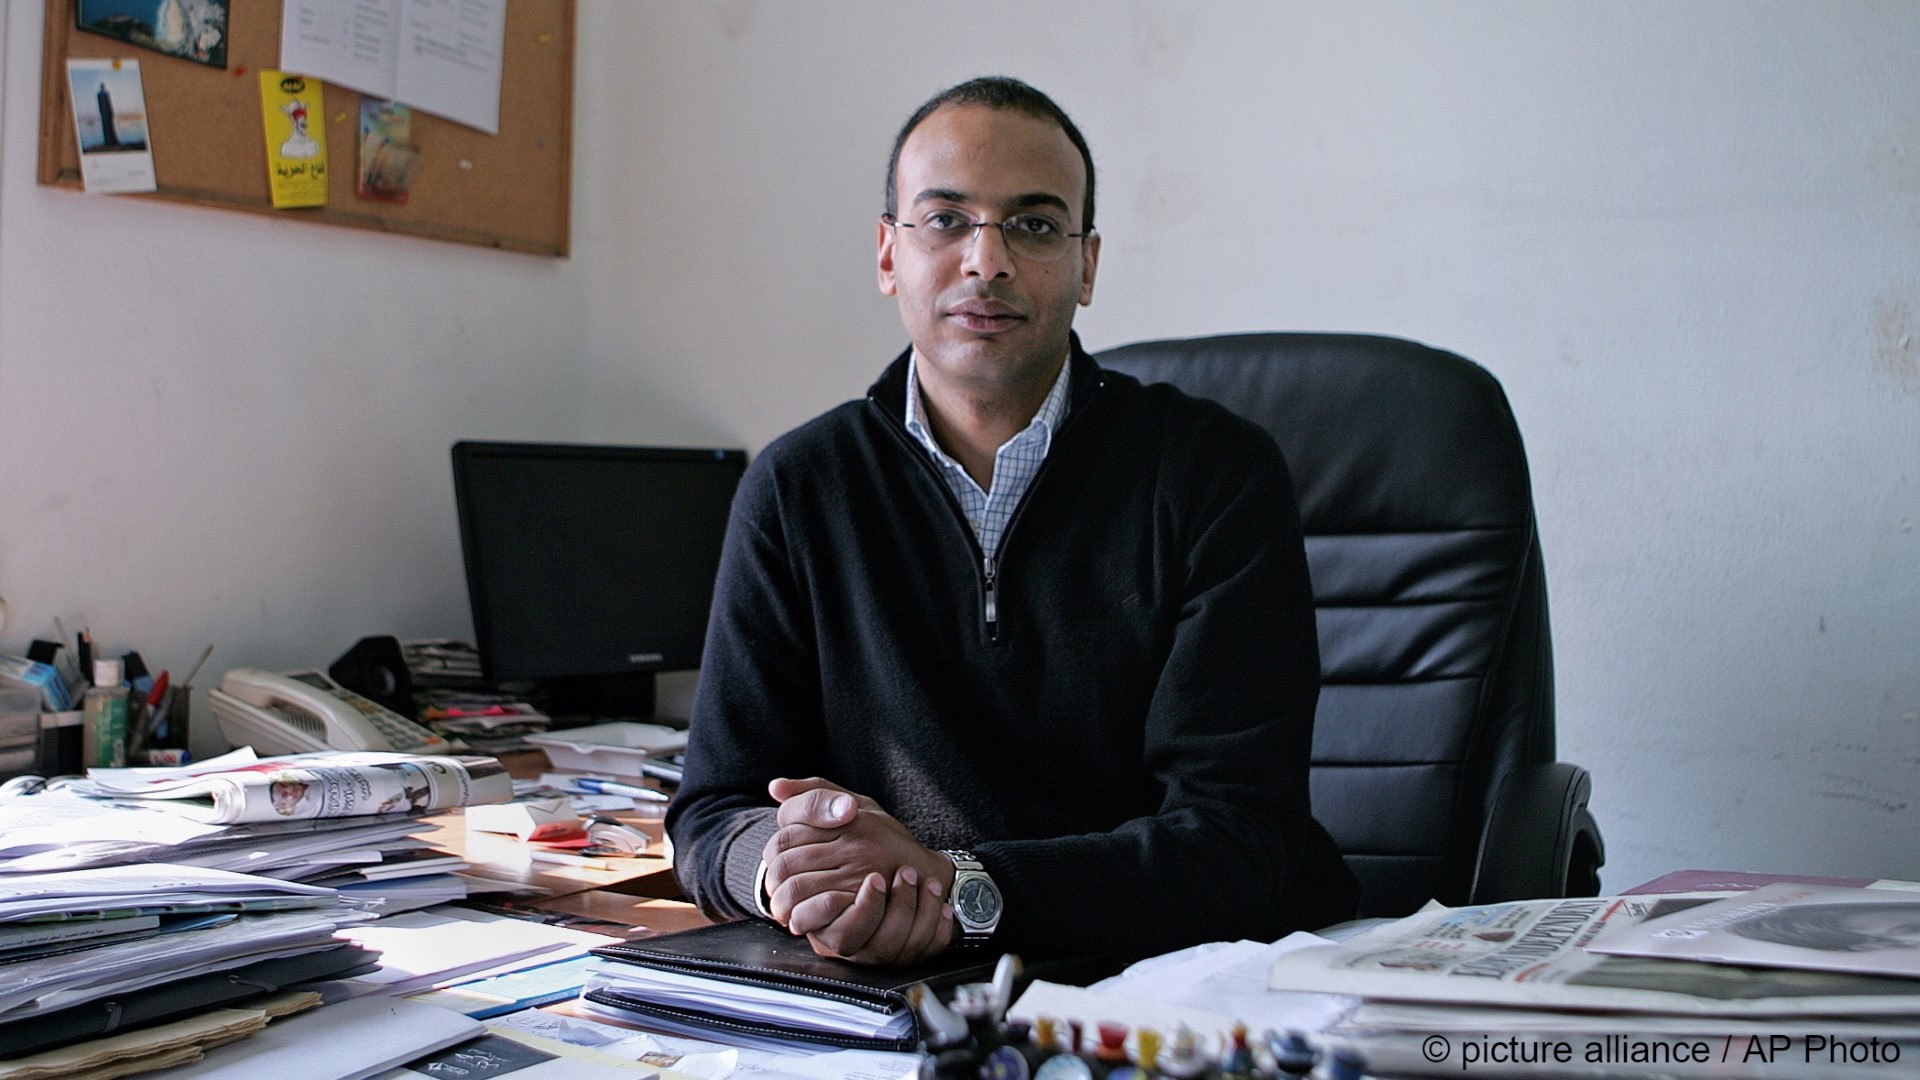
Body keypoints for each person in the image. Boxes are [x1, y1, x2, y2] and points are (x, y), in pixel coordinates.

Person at [667, 76, 1357, 967]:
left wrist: (963, 891)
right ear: (888, 255)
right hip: (902, 988)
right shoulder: (799, 487)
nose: (985, 262)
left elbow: (1241, 836)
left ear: (1087, 264)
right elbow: (714, 811)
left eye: (1033, 225)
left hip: (1179, 979)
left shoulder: (1214, 473)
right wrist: (790, 871)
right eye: (946, 219)